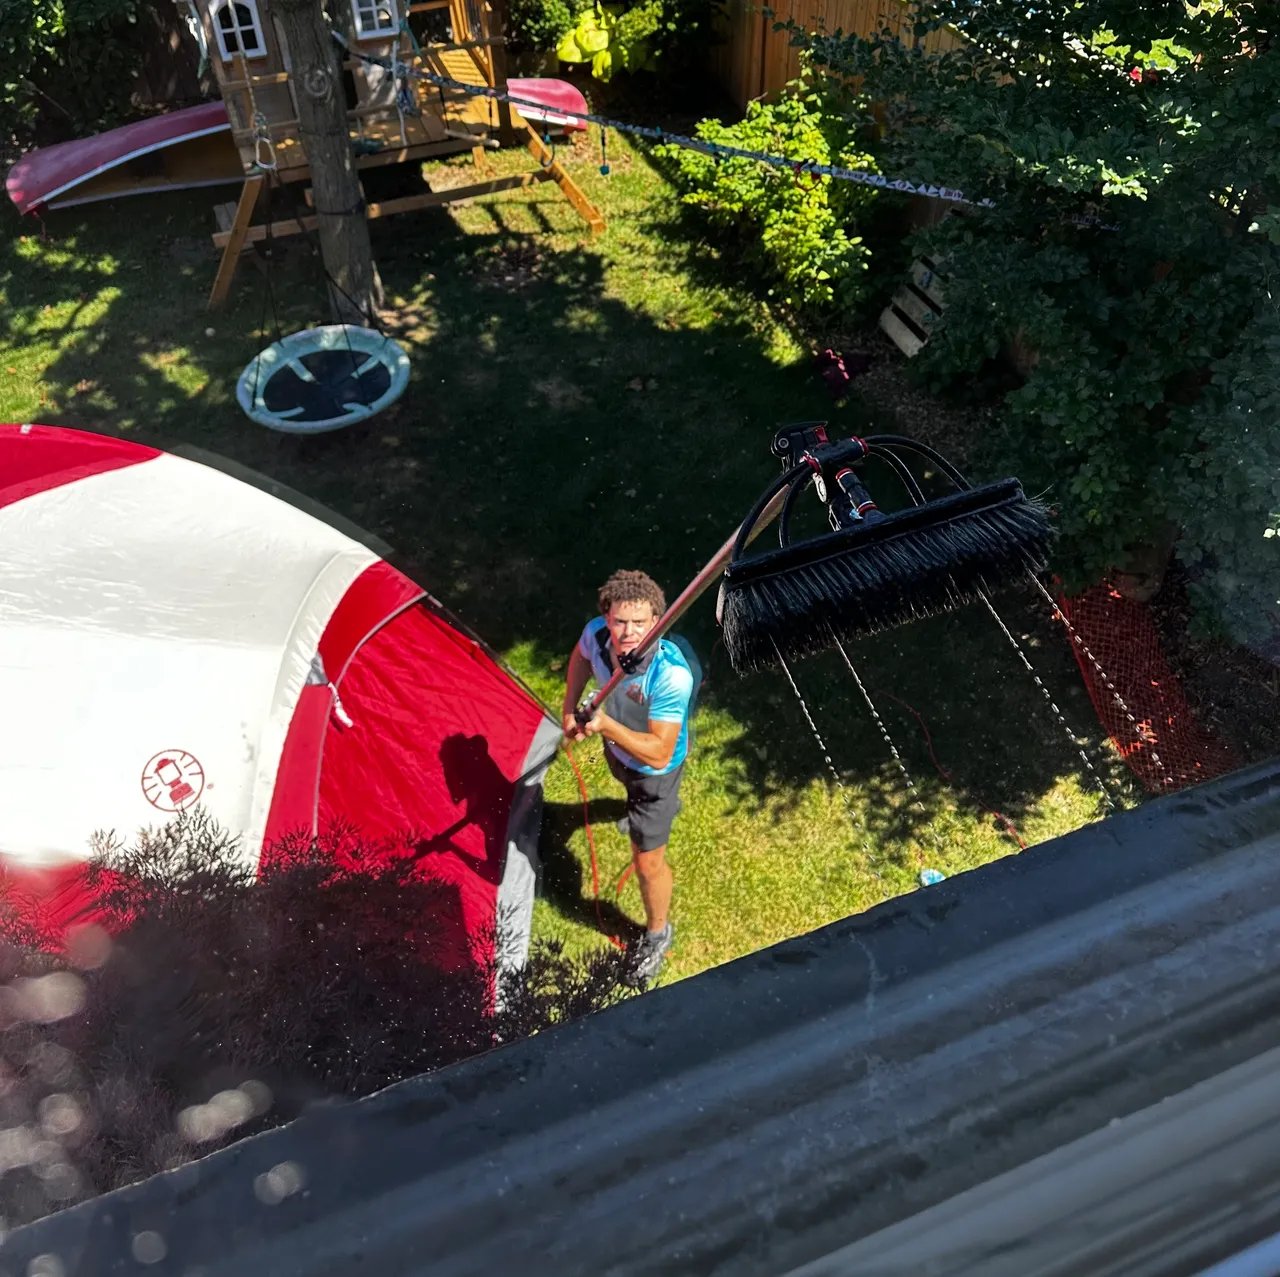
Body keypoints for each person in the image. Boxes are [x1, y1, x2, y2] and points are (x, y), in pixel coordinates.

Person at [562, 569, 695, 986]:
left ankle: (657, 933)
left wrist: (605, 727)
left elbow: (657, 752)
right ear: (606, 618)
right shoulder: (597, 637)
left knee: (647, 862)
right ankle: (641, 811)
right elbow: (580, 657)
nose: (629, 632)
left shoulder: (671, 675)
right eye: (620, 621)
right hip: (620, 754)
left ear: (658, 621)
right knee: (624, 777)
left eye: (641, 623)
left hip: (656, 772)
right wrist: (569, 708)